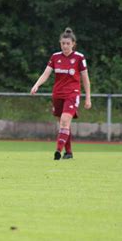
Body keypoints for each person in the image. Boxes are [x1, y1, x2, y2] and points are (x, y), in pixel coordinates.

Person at [31, 27, 92, 160]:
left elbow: (85, 79)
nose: (65, 46)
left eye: (68, 44)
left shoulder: (79, 58)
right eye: (63, 43)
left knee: (64, 121)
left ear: (73, 44)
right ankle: (68, 152)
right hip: (57, 94)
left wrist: (88, 98)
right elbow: (46, 73)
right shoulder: (55, 57)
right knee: (64, 124)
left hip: (72, 94)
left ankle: (58, 151)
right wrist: (36, 85)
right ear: (60, 43)